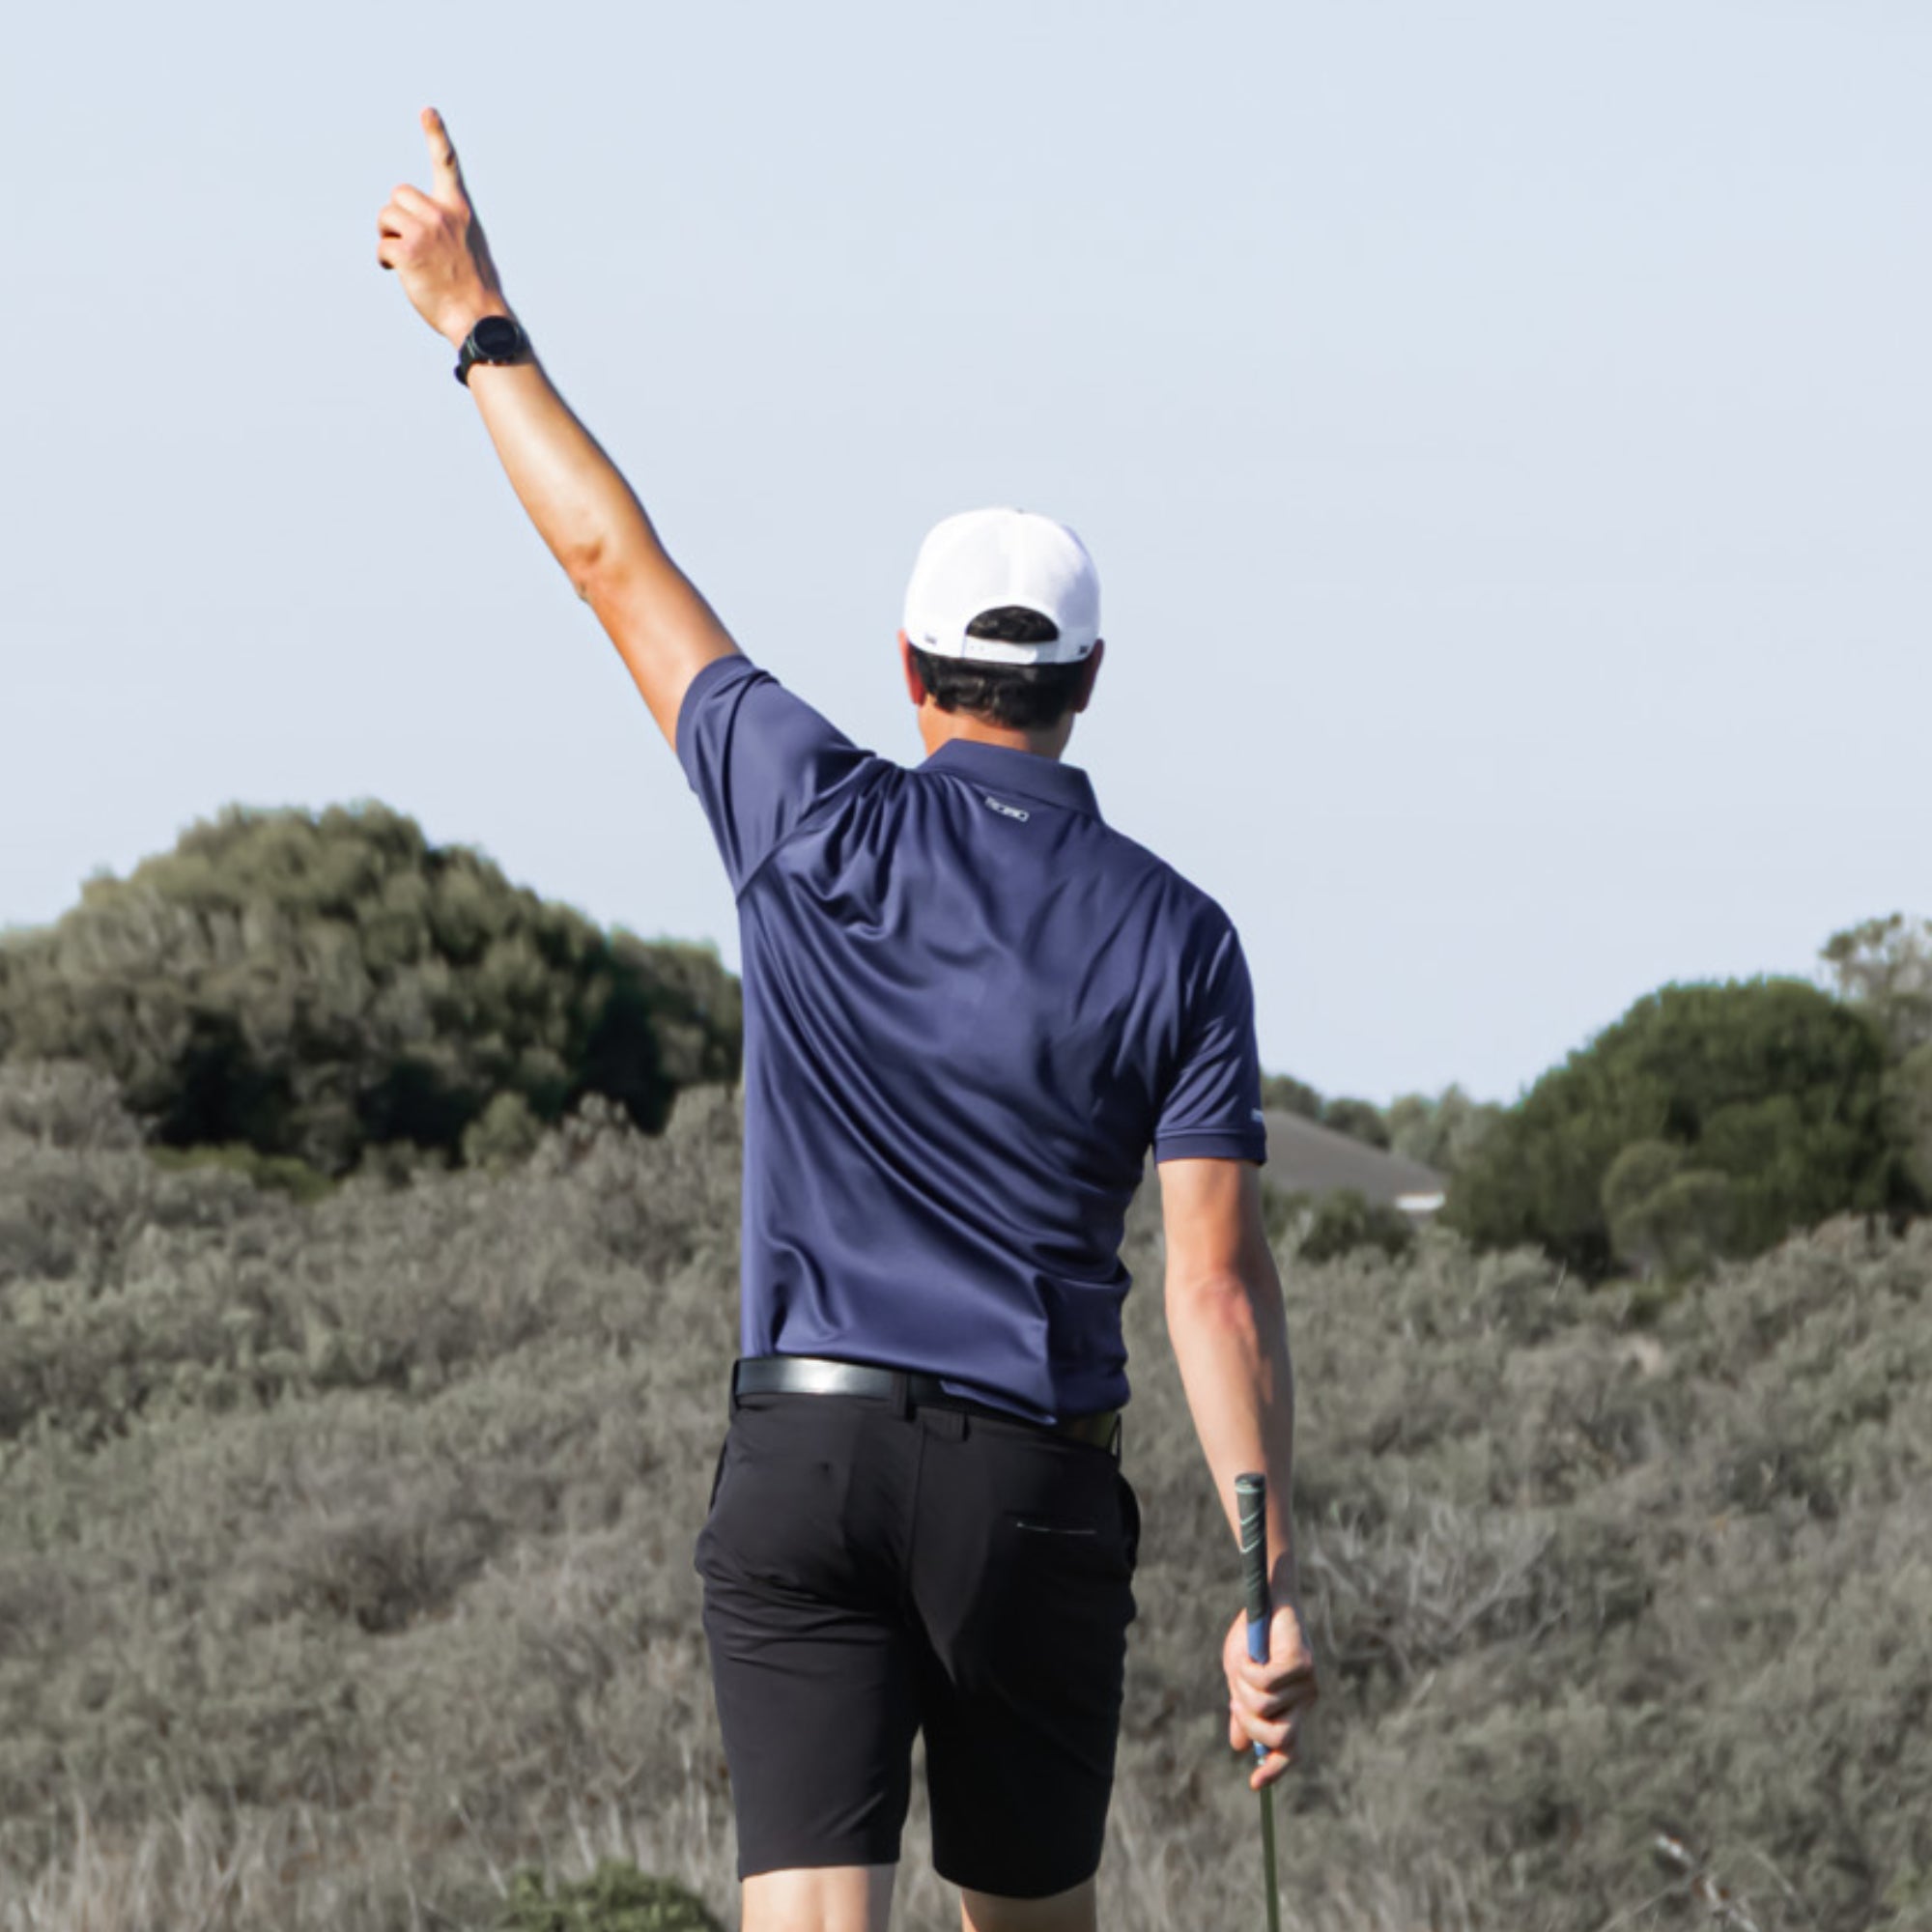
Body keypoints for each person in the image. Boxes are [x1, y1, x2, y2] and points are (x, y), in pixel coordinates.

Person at [378, 107, 1317, 1932]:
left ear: (908, 675)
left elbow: (613, 567)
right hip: (1031, 1497)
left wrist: (475, 323)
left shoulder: (809, 817)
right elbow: (1211, 1286)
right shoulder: (1185, 940)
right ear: (1090, 687)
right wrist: (1268, 1580)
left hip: (804, 1457)